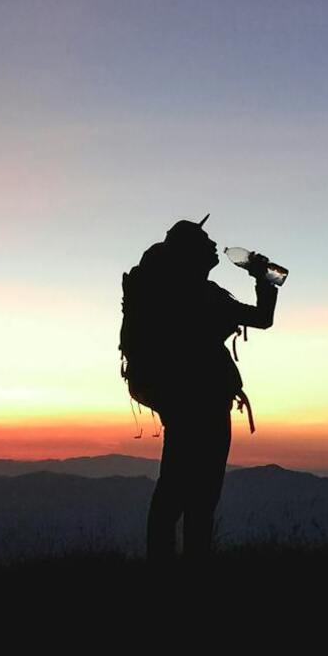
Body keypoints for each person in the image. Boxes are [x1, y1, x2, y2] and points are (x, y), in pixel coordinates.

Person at [120, 218, 279, 563]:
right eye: (205, 241)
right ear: (190, 253)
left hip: (178, 400)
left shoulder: (168, 291)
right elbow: (263, 318)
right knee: (200, 491)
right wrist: (263, 277)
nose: (213, 245)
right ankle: (193, 566)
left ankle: (163, 563)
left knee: (174, 485)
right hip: (204, 401)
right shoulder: (200, 294)